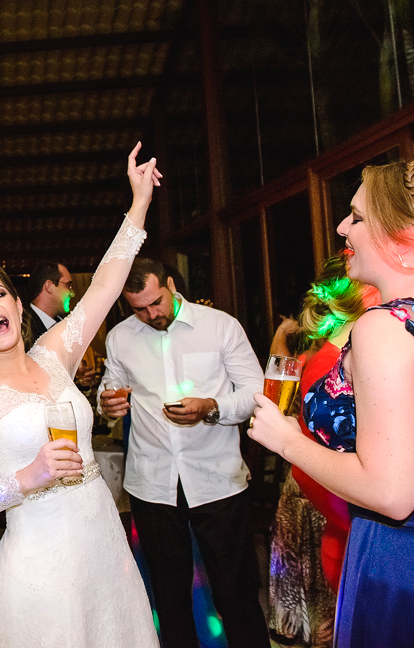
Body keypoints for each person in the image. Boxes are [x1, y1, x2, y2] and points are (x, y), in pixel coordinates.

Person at [0, 143, 160, 648]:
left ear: (18, 305)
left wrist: (140, 203)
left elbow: (105, 286)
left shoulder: (54, 354)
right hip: (39, 572)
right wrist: (26, 479)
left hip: (105, 554)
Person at [250, 155, 414, 647]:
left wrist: (287, 440)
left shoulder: (387, 327)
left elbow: (391, 493)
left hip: (412, 565)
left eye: (357, 216)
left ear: (402, 236)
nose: (342, 228)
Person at [99, 256, 269, 648]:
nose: (151, 314)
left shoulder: (220, 326)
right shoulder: (120, 337)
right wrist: (107, 402)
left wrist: (211, 407)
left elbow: (255, 393)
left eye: (156, 302)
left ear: (171, 285)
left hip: (217, 478)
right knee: (169, 596)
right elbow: (111, 385)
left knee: (237, 592)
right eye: (138, 309)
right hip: (152, 483)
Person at [264, 256, 378, 648]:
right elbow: (274, 395)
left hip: (326, 496)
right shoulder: (330, 358)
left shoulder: (330, 349)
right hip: (329, 497)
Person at [24, 261, 73, 342]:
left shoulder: (66, 324)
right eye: (68, 285)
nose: (72, 294)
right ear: (49, 286)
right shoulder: (23, 328)